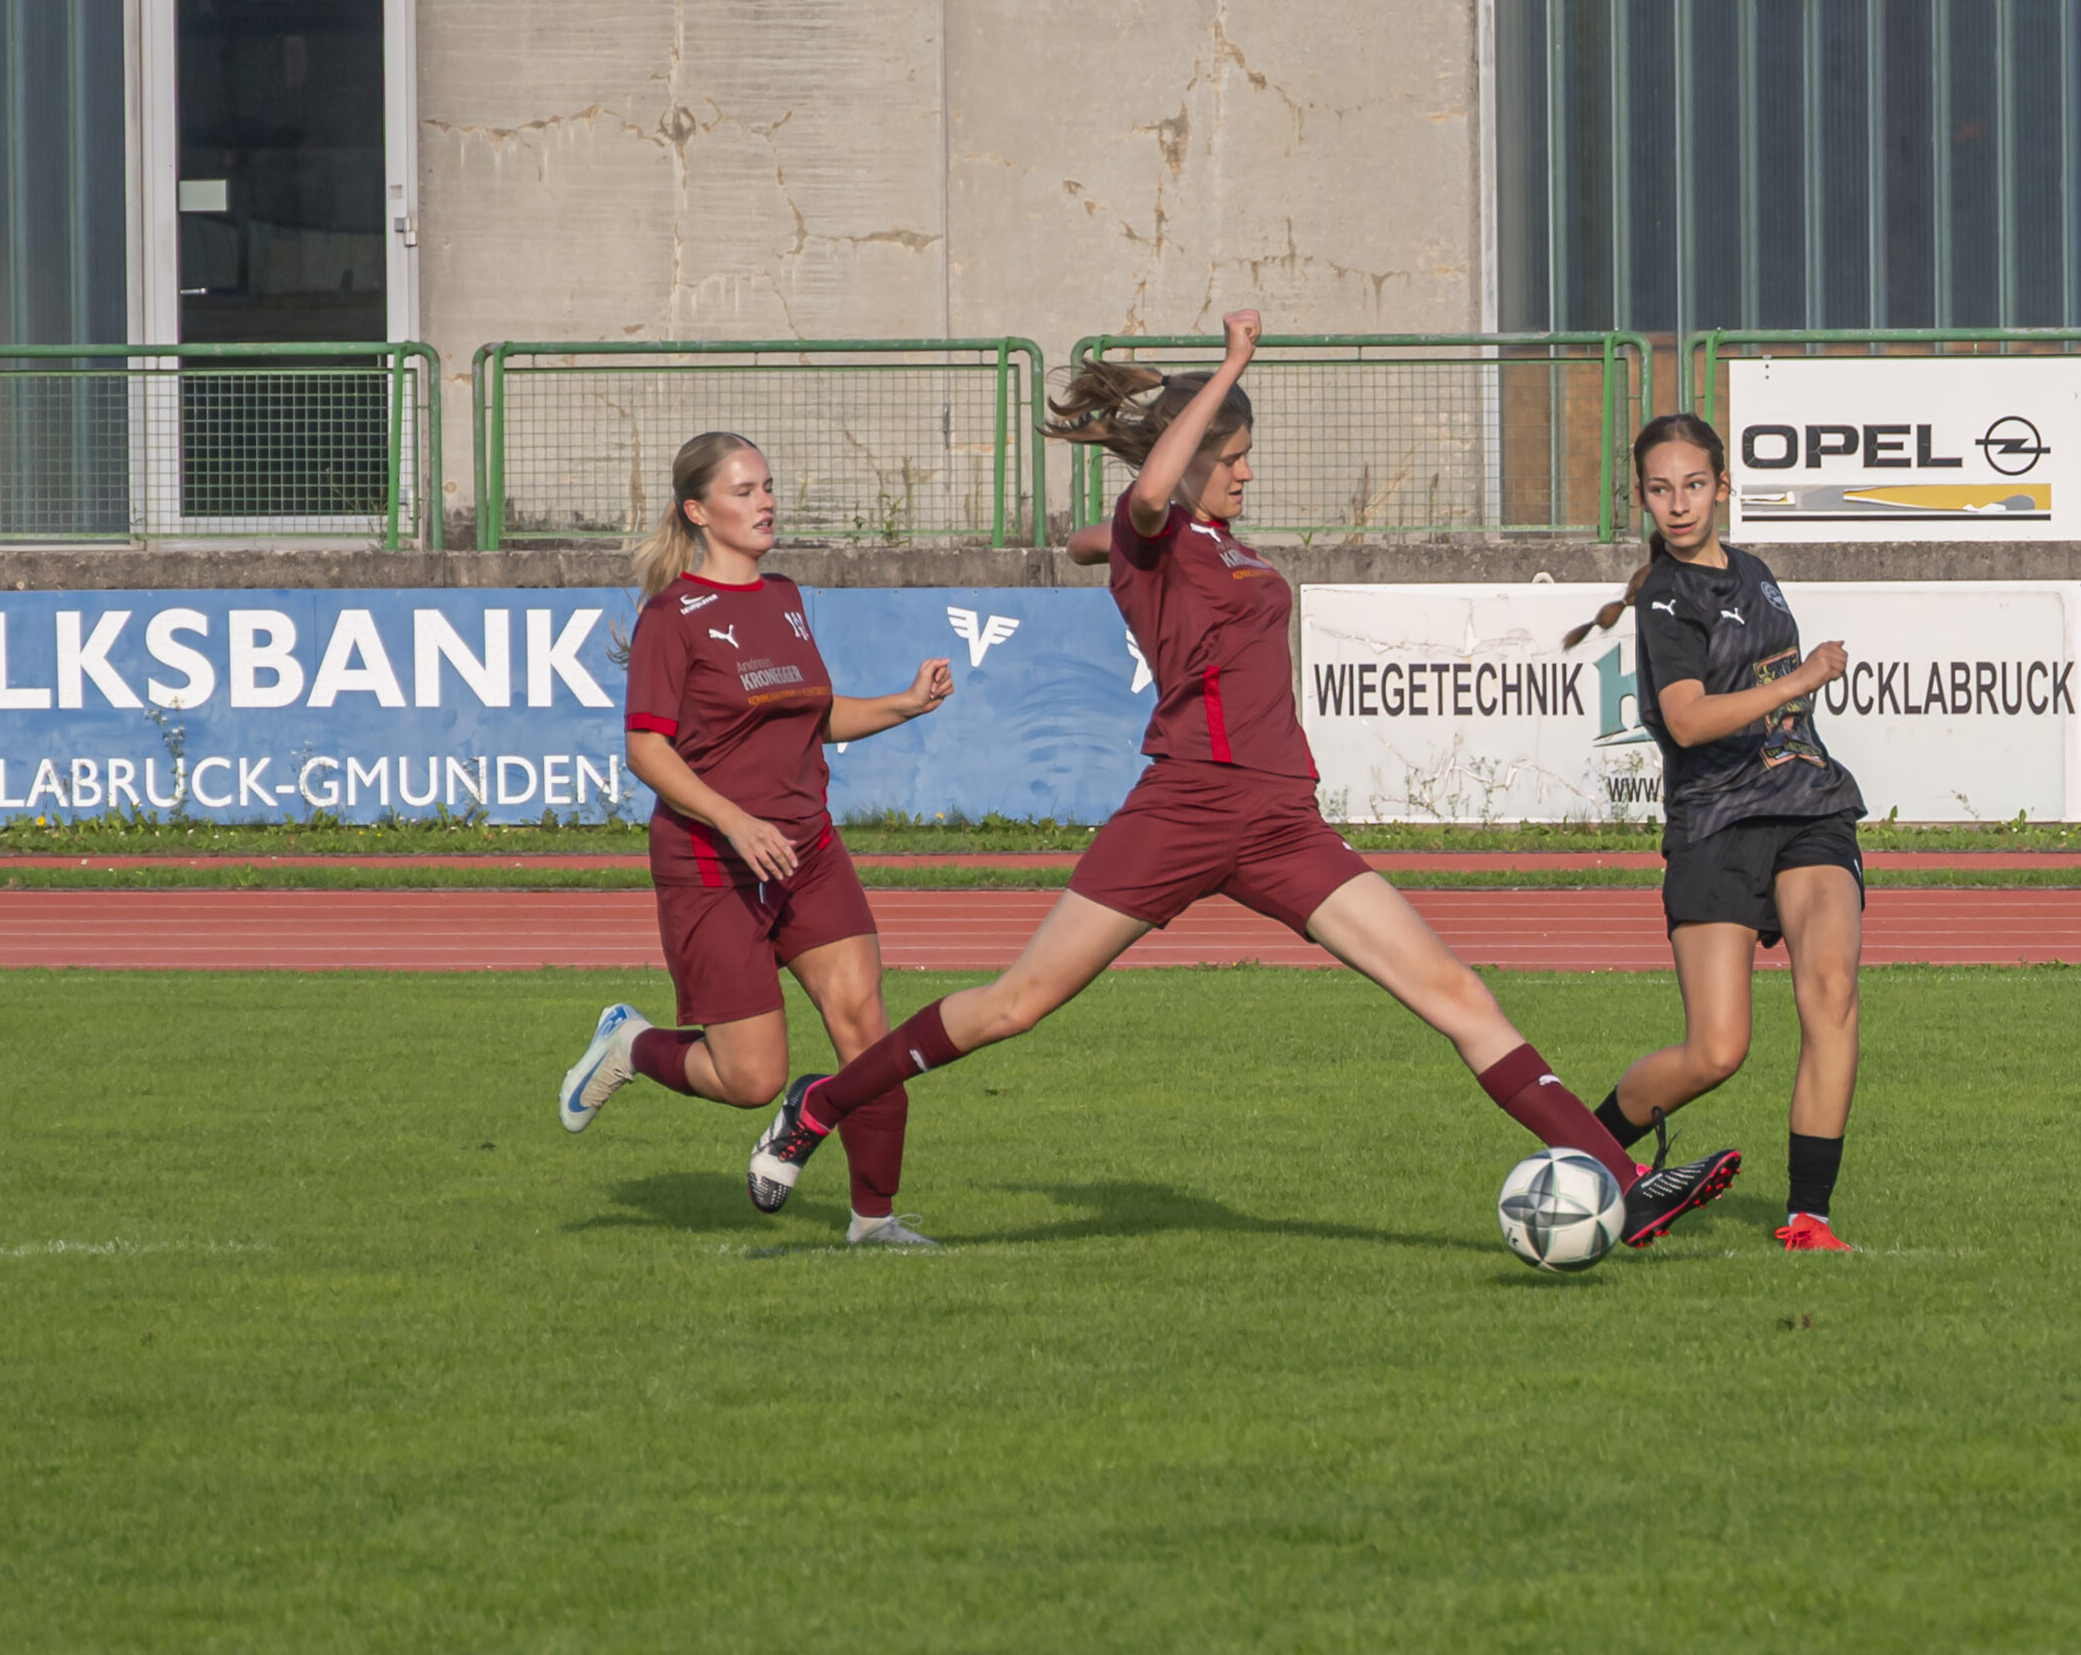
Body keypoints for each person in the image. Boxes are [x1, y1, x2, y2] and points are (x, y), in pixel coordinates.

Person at [745, 313, 1742, 1253]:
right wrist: (1228, 369)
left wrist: (1103, 539)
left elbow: (1103, 535)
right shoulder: (1154, 526)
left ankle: (1623, 1184)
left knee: (1456, 994)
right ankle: (821, 1104)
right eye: (1231, 457)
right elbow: (1140, 509)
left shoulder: (1209, 545)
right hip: (1184, 806)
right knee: (1016, 1004)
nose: (1247, 472)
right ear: (1187, 459)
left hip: (1278, 820)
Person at [556, 430, 956, 1249]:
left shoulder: (783, 596)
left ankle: (873, 1221)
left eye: (767, 486)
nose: (765, 502)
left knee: (867, 1032)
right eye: (743, 491)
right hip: (713, 863)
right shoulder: (672, 617)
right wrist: (734, 820)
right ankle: (632, 1044)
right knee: (751, 1078)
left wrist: (902, 704)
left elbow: (812, 717)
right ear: (698, 511)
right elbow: (646, 749)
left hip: (808, 852)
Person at [1562, 414, 1866, 1252]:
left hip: (1809, 807)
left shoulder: (1756, 572)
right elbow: (1689, 721)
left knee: (1832, 991)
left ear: (1722, 487)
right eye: (1661, 489)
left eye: (1694, 485)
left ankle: (1808, 1217)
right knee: (1717, 1051)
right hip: (1715, 822)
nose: (1679, 503)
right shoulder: (1665, 600)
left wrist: (1794, 698)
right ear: (1641, 496)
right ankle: (1580, 1156)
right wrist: (1801, 680)